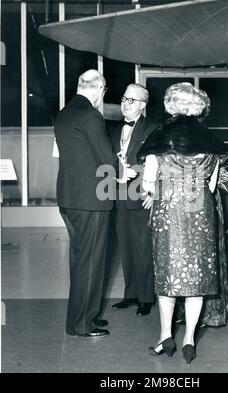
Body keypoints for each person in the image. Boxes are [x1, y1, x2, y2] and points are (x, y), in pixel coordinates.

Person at [138, 82, 228, 364]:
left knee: (168, 278)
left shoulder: (159, 137)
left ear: (171, 105)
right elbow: (212, 185)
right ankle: (190, 339)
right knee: (198, 280)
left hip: (169, 214)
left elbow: (148, 183)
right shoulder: (210, 141)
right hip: (201, 214)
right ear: (199, 106)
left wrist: (151, 192)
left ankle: (165, 336)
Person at [55, 69, 116, 337]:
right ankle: (81, 324)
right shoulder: (91, 115)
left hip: (69, 197)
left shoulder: (64, 113)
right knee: (90, 262)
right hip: (90, 200)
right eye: (104, 92)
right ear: (100, 89)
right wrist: (129, 168)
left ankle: (85, 316)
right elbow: (106, 159)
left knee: (80, 259)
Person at [110, 84, 156, 316]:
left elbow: (160, 163)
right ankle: (131, 295)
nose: (125, 103)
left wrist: (154, 190)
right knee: (126, 247)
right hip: (117, 195)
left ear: (143, 105)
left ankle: (147, 297)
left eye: (131, 100)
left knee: (144, 248)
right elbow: (107, 159)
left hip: (142, 195)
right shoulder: (112, 130)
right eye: (124, 98)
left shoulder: (153, 128)